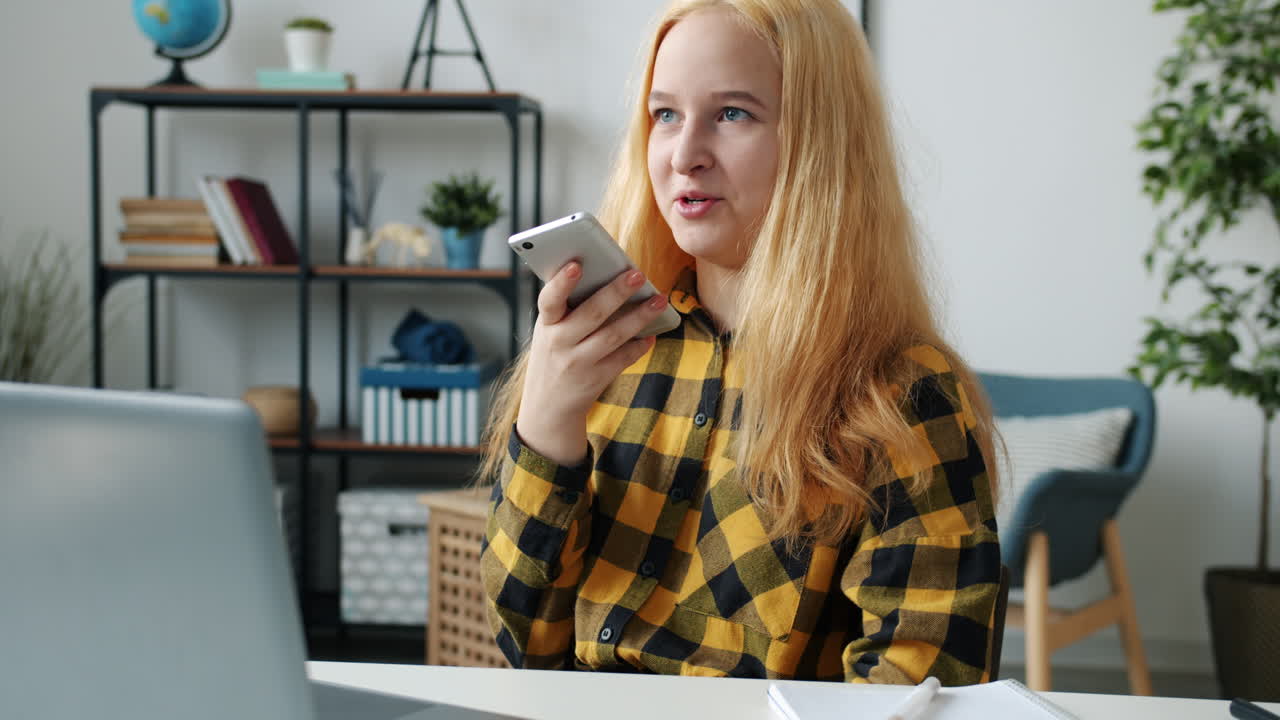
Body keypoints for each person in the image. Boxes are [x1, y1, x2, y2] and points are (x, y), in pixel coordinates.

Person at [478, 0, 1002, 685]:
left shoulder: (905, 392)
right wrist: (546, 425)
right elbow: (528, 648)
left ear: (820, 142)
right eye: (664, 114)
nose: (684, 154)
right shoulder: (607, 355)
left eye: (732, 114)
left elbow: (923, 683)